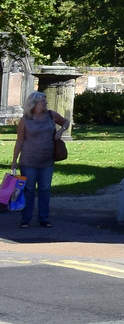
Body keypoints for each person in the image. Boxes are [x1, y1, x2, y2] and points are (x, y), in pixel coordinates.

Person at [11, 91, 69, 230]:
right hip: (29, 161)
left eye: (45, 101)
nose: (45, 103)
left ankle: (44, 218)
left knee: (45, 189)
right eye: (42, 101)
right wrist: (14, 161)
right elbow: (19, 141)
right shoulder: (25, 120)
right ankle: (26, 219)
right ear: (34, 104)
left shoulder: (51, 115)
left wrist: (60, 132)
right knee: (29, 190)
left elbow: (66, 122)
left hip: (47, 160)